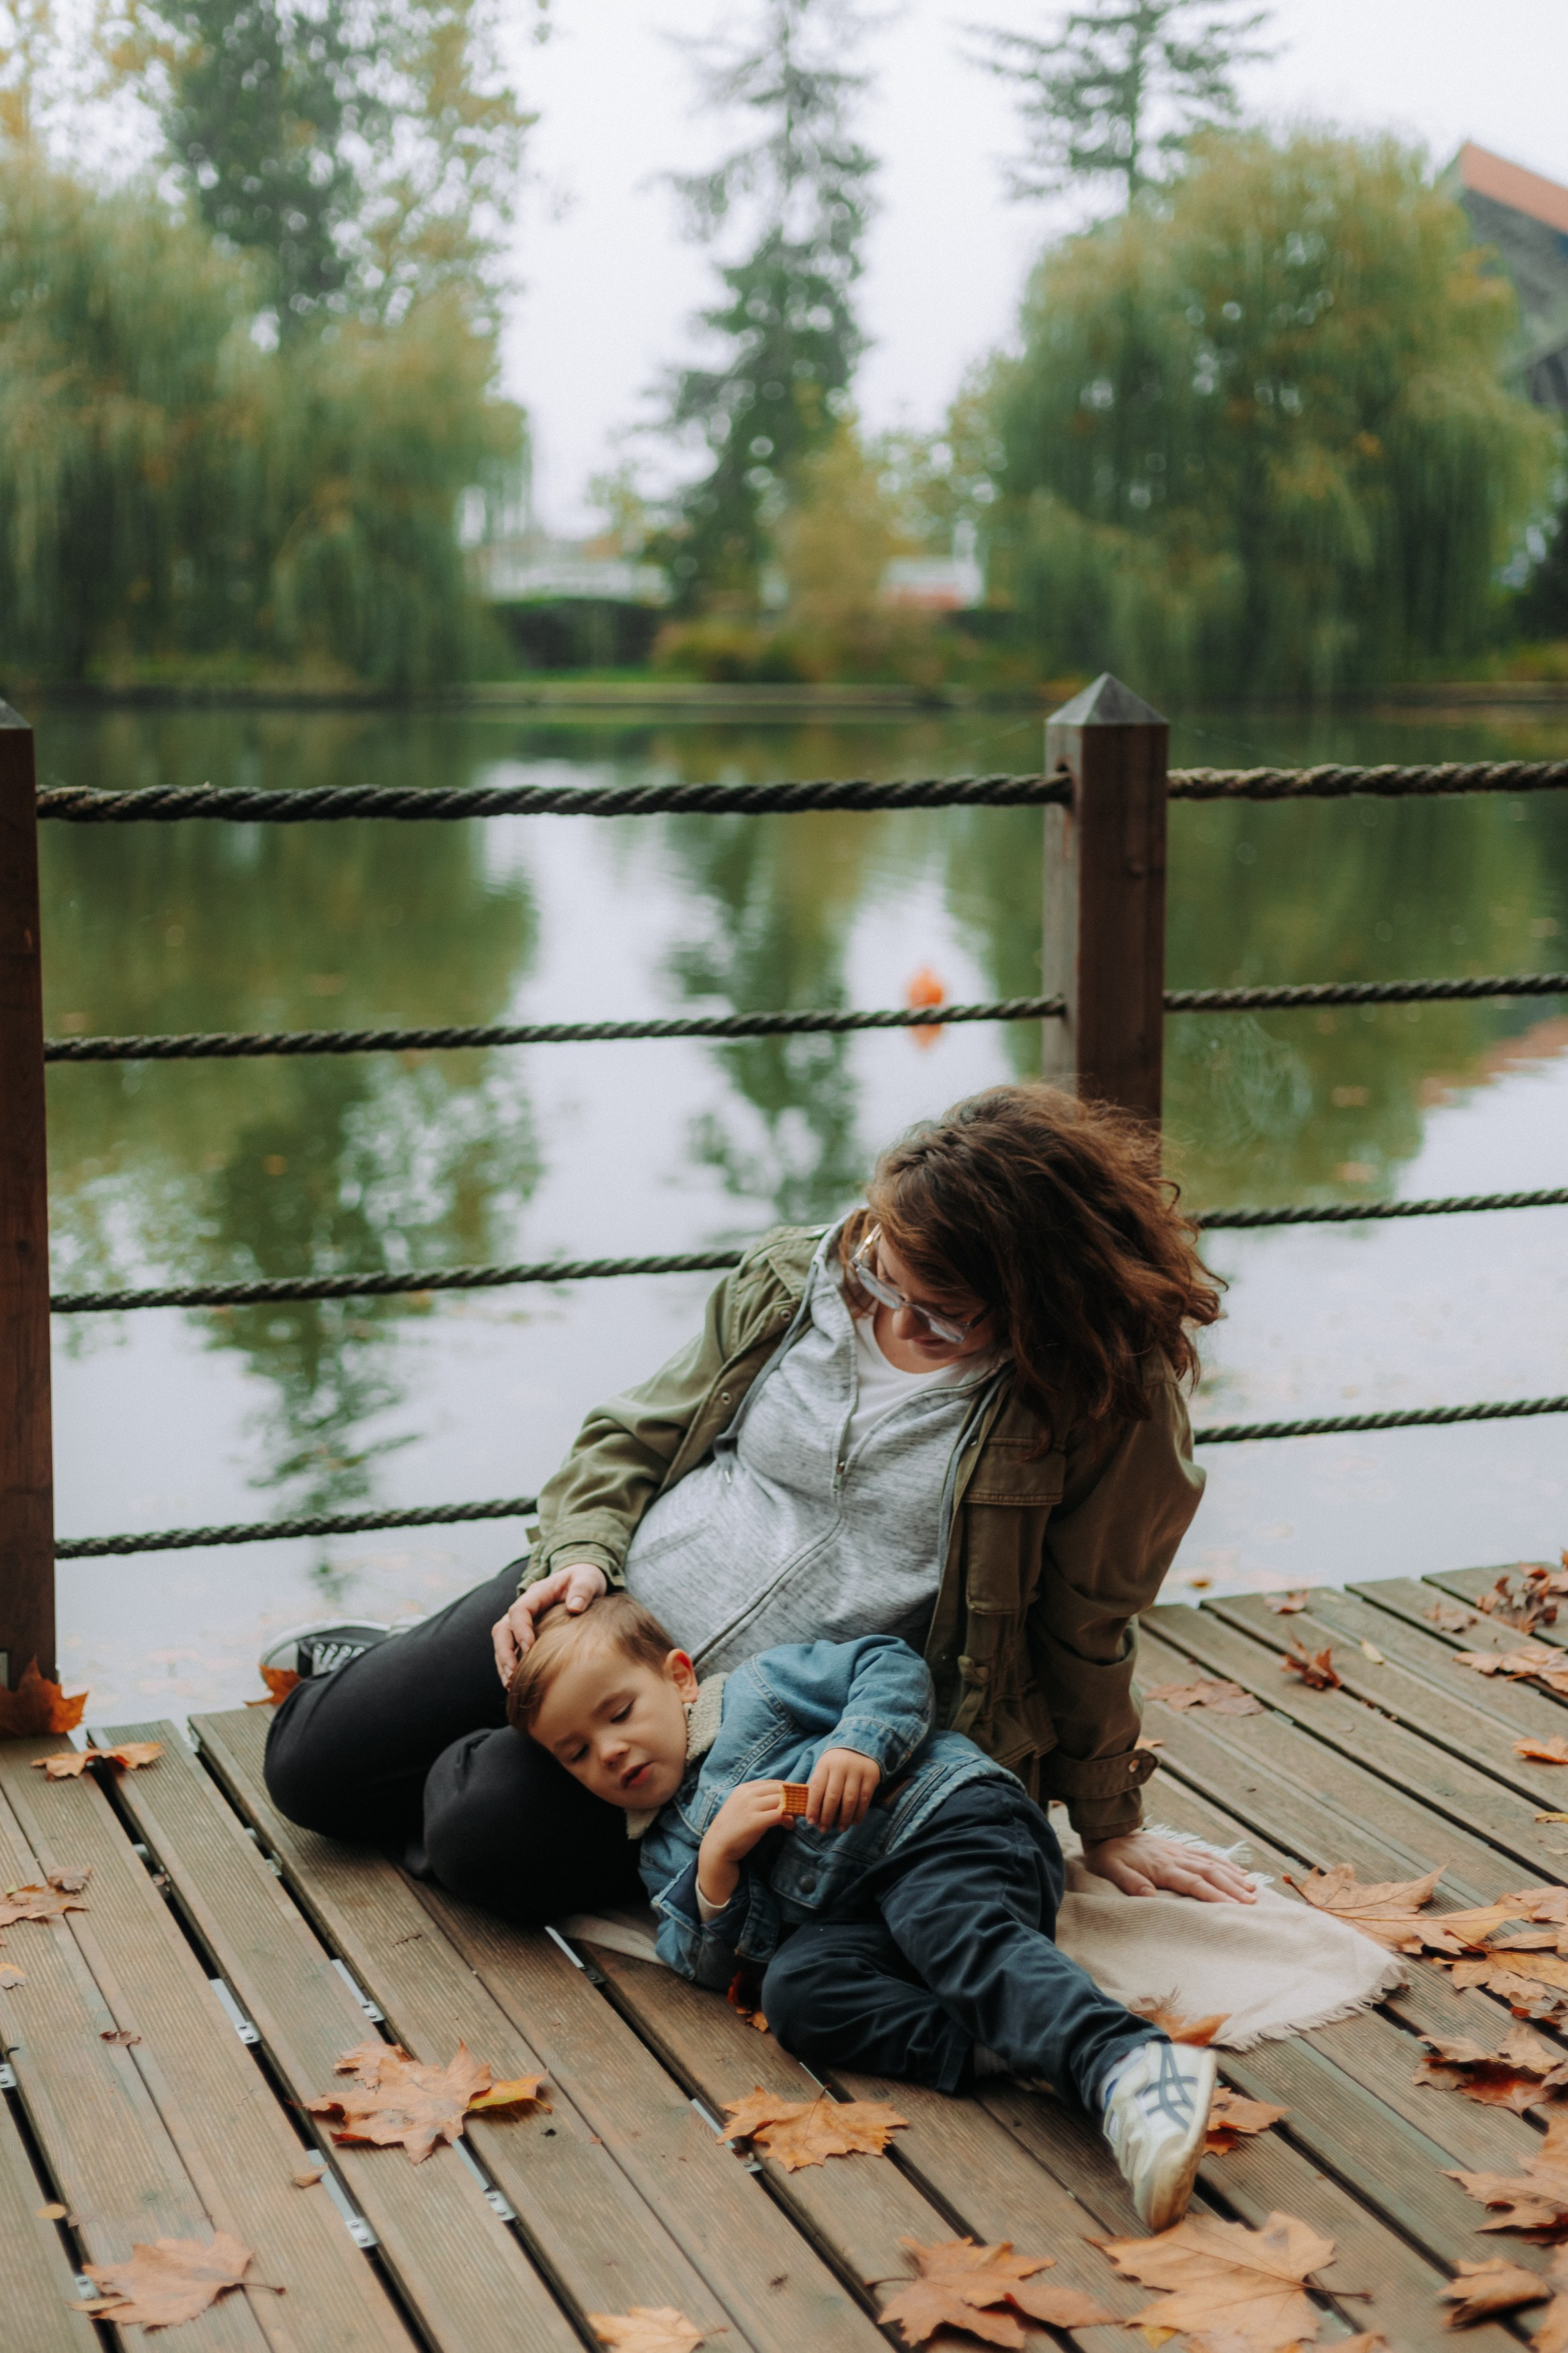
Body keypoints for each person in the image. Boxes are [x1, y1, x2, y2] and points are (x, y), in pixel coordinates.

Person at [262, 1081, 1253, 1923]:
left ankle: (460, 1740)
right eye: (882, 1274)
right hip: (605, 1620)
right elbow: (634, 1434)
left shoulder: (1103, 1404)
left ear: (1043, 1298)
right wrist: (580, 1555)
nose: (898, 1319)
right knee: (311, 1773)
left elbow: (1086, 1628)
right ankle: (411, 1692)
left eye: (945, 1316)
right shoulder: (796, 1278)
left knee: (485, 1836)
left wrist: (1107, 1820)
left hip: (756, 1724)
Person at [509, 1589, 1221, 2231]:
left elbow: (886, 1663)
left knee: (946, 1924)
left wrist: (860, 1740)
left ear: (678, 1676)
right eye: (576, 1752)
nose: (609, 1750)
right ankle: (1005, 2036)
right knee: (797, 1993)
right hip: (861, 1920)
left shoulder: (761, 1689)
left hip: (943, 1826)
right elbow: (698, 1959)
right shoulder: (661, 1852)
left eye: (619, 1712)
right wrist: (715, 1866)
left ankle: (1127, 2066)